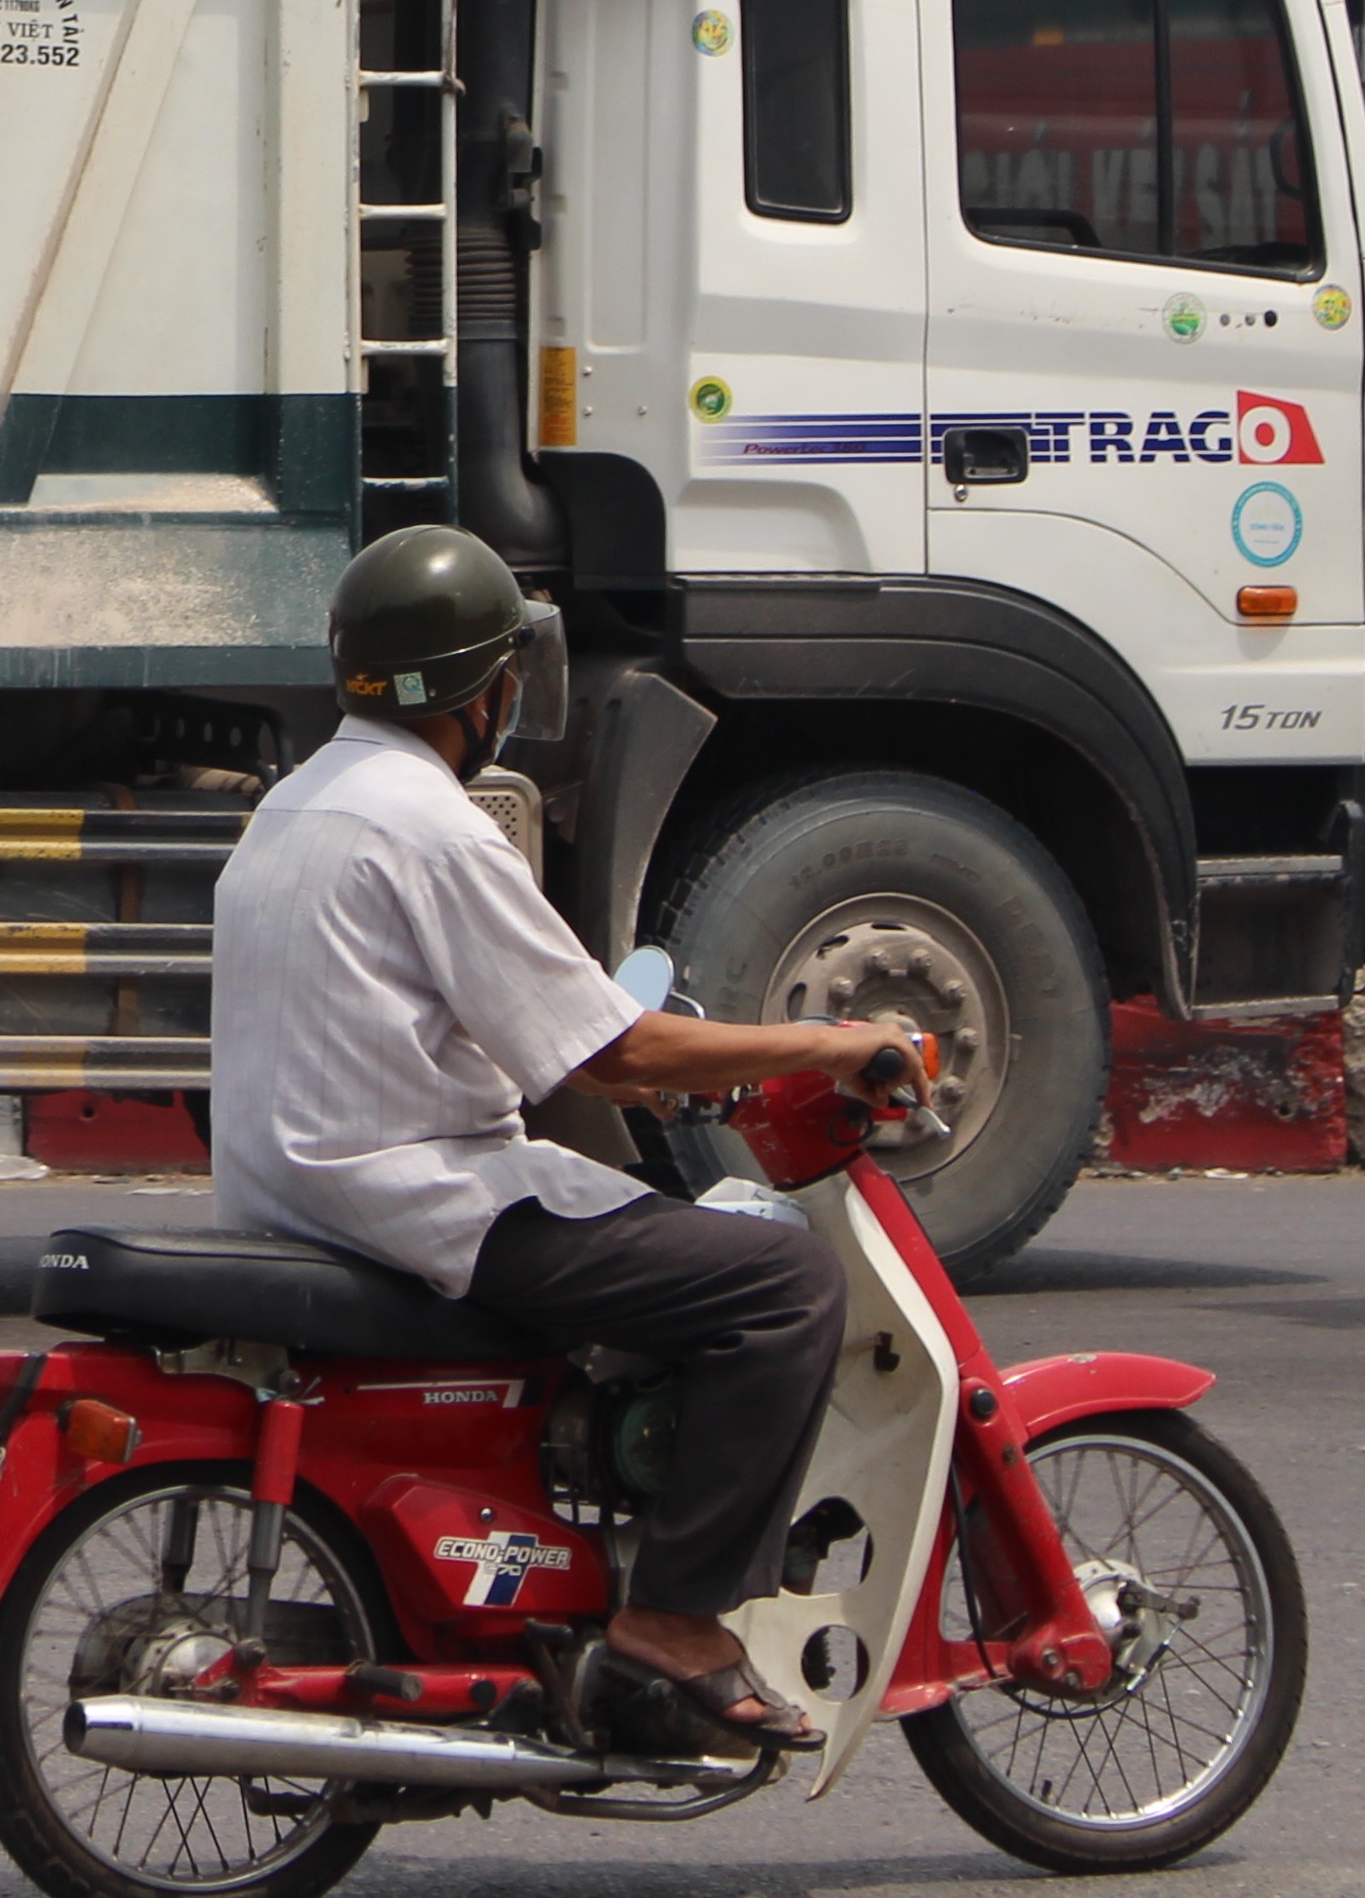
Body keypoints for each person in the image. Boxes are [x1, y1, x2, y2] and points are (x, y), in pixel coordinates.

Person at [210, 523, 902, 1759]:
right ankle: (677, 1621)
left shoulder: (296, 806)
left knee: (645, 1250)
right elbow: (614, 1056)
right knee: (781, 1281)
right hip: (421, 1204)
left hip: (298, 1193)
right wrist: (827, 1047)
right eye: (508, 675)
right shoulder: (433, 828)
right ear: (482, 690)